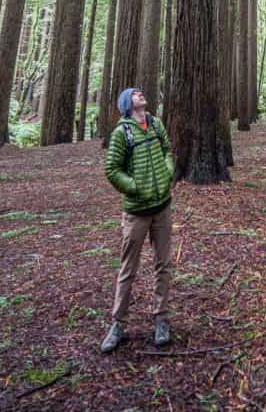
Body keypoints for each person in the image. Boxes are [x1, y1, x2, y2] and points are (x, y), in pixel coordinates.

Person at [101, 87, 174, 354]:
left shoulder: (156, 124)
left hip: (162, 209)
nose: (141, 94)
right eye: (134, 94)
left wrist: (167, 173)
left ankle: (161, 319)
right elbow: (112, 169)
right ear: (126, 104)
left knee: (163, 265)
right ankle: (118, 324)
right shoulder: (122, 133)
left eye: (141, 92)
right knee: (127, 270)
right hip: (136, 213)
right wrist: (136, 187)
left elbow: (168, 150)